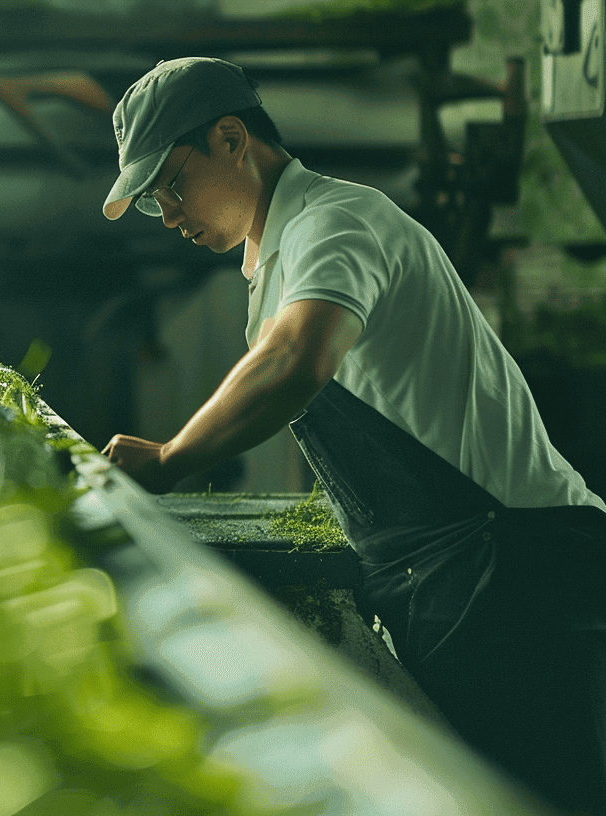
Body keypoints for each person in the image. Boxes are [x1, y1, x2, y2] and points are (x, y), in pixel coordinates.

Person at [99, 57, 606, 815]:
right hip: (449, 576)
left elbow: (296, 356)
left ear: (231, 139)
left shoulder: (334, 223)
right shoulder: (273, 261)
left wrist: (172, 459)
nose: (168, 214)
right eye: (150, 203)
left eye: (171, 183)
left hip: (513, 568)